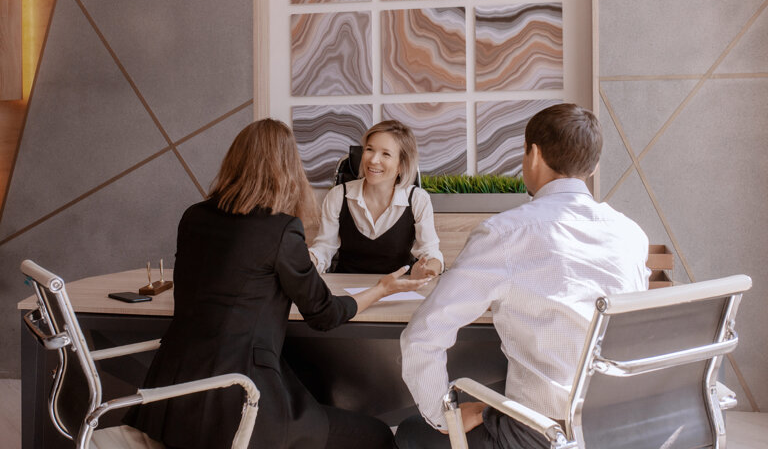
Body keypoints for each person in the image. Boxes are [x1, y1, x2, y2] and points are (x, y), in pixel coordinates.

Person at [125, 119, 432, 449]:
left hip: (169, 403)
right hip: (240, 404)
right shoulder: (280, 229)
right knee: (378, 435)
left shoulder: (193, 216)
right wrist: (382, 289)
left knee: (311, 392)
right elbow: (324, 314)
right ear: (287, 167)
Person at [396, 104, 650, 449]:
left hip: (541, 434)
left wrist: (444, 416)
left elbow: (423, 336)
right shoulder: (631, 234)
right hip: (622, 426)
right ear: (593, 167)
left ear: (534, 155)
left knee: (411, 432)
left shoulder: (506, 233)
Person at [309, 120, 443, 279]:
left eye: (386, 154)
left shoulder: (418, 199)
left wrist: (428, 268)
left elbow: (430, 252)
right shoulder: (338, 195)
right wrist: (308, 259)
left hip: (397, 287)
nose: (373, 160)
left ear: (401, 165)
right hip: (345, 288)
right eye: (369, 149)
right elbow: (324, 248)